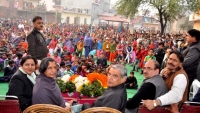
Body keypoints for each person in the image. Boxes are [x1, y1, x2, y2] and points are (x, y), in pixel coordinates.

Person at [182, 29, 200, 99]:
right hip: (187, 73)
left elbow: (186, 62)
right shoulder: (192, 45)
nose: (186, 37)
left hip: (190, 74)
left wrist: (176, 65)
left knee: (184, 92)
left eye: (188, 36)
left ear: (194, 38)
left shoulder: (195, 48)